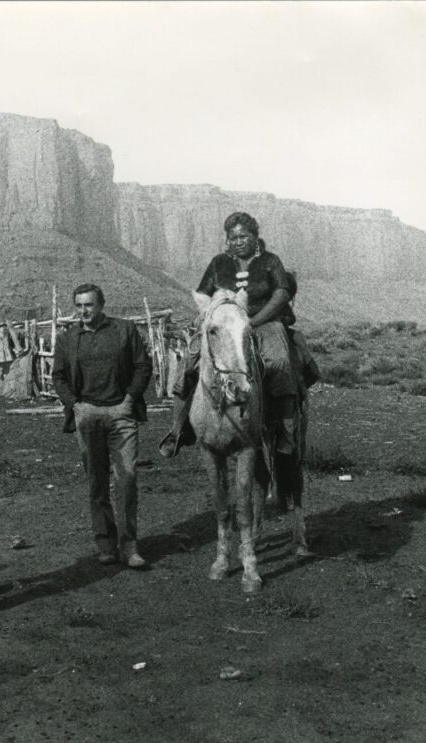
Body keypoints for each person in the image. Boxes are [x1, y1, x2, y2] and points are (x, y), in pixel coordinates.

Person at [160, 212, 304, 457]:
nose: (239, 241)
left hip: (265, 322)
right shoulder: (219, 263)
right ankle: (178, 429)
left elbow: (282, 293)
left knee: (279, 362)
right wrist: (208, 316)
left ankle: (283, 430)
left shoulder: (270, 261)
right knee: (190, 361)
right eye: (233, 237)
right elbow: (203, 294)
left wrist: (253, 321)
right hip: (225, 325)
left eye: (244, 236)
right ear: (227, 240)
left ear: (255, 237)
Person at [52, 283, 153, 569]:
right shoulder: (69, 338)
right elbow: (58, 376)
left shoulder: (124, 330)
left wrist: (130, 400)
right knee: (97, 481)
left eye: (89, 305)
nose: (83, 311)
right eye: (79, 305)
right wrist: (75, 405)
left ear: (102, 305)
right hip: (88, 414)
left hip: (121, 413)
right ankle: (106, 544)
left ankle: (129, 546)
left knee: (128, 478)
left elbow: (143, 366)